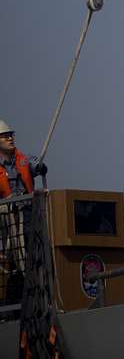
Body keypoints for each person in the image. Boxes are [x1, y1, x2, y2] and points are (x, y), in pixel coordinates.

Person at [0, 119, 46, 304]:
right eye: (5, 136)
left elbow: (36, 164)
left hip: (29, 216)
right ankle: (17, 303)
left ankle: (35, 299)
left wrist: (41, 167)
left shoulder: (23, 160)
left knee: (34, 258)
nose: (10, 138)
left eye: (11, 135)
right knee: (17, 263)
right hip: (8, 223)